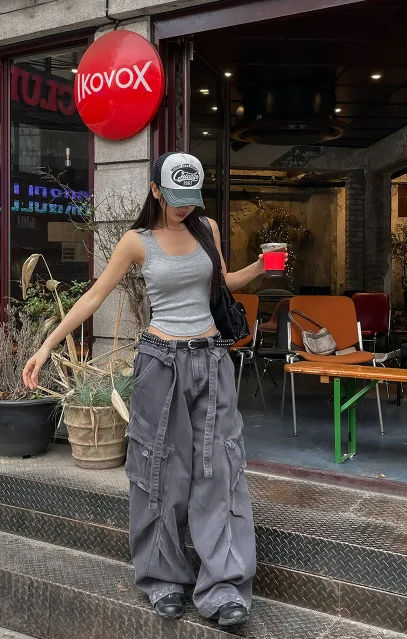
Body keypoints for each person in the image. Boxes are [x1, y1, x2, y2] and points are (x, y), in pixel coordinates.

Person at [23, 152, 277, 627]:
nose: (184, 207)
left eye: (191, 198)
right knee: (159, 469)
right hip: (161, 364)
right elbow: (94, 296)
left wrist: (260, 267)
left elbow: (221, 282)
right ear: (156, 190)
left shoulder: (207, 229)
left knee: (220, 467)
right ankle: (163, 580)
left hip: (211, 359)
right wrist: (46, 346)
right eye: (175, 197)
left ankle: (224, 588)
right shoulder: (136, 242)